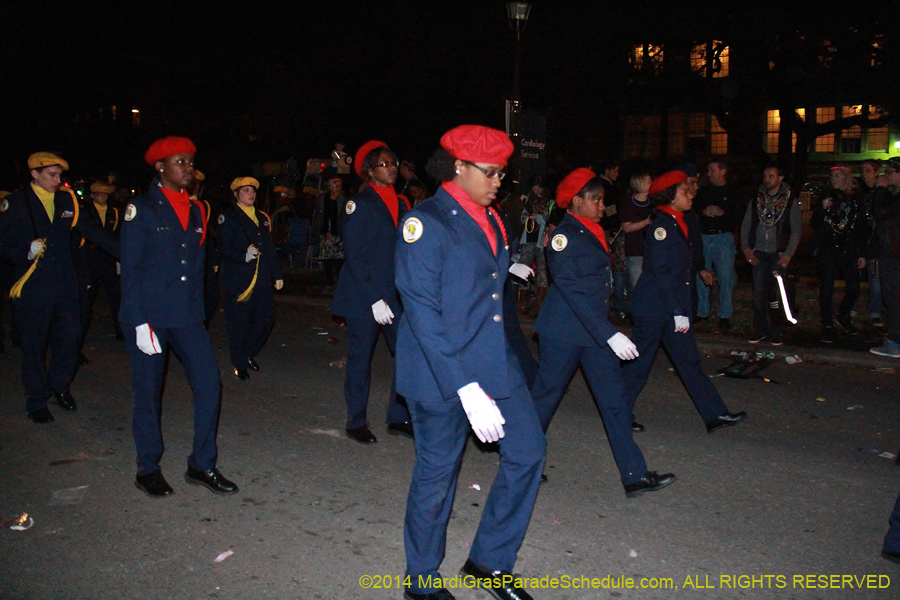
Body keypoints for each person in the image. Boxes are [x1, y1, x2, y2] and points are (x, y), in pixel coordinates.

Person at [395, 124, 545, 600]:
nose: (499, 181)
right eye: (491, 172)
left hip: (492, 359)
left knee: (528, 451)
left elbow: (486, 291)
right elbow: (422, 311)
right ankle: (420, 581)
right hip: (440, 372)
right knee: (437, 476)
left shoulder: (494, 218)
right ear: (457, 166)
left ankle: (489, 561)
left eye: (504, 173)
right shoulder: (425, 221)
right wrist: (465, 388)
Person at [531, 168, 675, 497]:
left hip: (594, 332)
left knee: (614, 402)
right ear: (576, 201)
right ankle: (523, 463)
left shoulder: (593, 230)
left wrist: (605, 332)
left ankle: (634, 475)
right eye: (595, 199)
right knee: (544, 400)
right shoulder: (563, 235)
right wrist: (609, 334)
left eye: (602, 199)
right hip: (565, 332)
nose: (601, 205)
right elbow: (570, 289)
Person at [120, 136, 238, 497]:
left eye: (190, 161)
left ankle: (202, 463)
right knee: (149, 392)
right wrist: (139, 322)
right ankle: (148, 467)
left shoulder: (199, 210)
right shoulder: (141, 209)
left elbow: (196, 267)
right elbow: (132, 268)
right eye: (179, 162)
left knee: (208, 384)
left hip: (186, 315)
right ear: (160, 167)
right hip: (150, 316)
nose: (188, 168)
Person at [623, 170, 746, 434]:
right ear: (669, 196)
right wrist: (679, 310)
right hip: (654, 308)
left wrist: (680, 309)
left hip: (672, 307)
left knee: (689, 362)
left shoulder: (679, 222)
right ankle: (618, 415)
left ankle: (715, 414)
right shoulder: (661, 227)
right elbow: (661, 273)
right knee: (640, 364)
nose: (690, 194)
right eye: (683, 191)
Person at [0, 152, 118, 423]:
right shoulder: (16, 203)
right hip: (33, 285)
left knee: (71, 338)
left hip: (66, 282)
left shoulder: (68, 200)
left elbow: (93, 231)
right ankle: (36, 399)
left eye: (59, 175)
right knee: (34, 344)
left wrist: (129, 255)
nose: (57, 180)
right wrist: (24, 252)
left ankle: (59, 385)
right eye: (51, 175)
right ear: (34, 174)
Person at [331, 140, 413, 444]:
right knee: (360, 358)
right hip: (365, 296)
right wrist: (374, 298)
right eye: (384, 164)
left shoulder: (402, 203)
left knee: (406, 353)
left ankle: (398, 415)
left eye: (393, 163)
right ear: (369, 171)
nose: (392, 168)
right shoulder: (359, 204)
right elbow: (355, 256)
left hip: (395, 294)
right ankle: (356, 421)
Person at [217, 177, 284, 379]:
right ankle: (239, 364)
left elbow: (269, 247)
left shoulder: (262, 217)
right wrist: (242, 255)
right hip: (238, 278)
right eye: (245, 190)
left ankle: (246, 353)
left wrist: (277, 274)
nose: (251, 194)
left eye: (252, 190)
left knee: (266, 319)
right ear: (236, 194)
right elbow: (223, 246)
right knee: (239, 323)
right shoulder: (228, 217)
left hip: (261, 277)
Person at [740, 165, 802, 346]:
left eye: (771, 176)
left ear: (780, 178)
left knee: (778, 294)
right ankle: (759, 329)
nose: (767, 179)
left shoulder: (790, 201)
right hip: (759, 253)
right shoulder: (756, 200)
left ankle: (777, 330)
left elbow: (796, 230)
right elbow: (746, 225)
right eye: (765, 176)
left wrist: (788, 253)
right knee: (759, 294)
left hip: (778, 253)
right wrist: (746, 248)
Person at [810, 164, 867, 343]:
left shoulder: (856, 199)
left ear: (846, 178)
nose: (834, 179)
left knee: (853, 287)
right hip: (828, 247)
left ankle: (843, 315)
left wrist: (862, 252)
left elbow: (861, 227)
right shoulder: (826, 196)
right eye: (832, 176)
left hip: (848, 247)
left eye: (838, 176)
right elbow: (814, 223)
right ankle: (827, 325)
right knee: (827, 288)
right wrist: (822, 208)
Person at [693, 158, 743, 331]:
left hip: (723, 238)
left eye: (712, 170)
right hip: (705, 237)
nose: (709, 174)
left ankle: (725, 314)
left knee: (725, 277)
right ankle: (702, 311)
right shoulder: (703, 191)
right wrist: (703, 212)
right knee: (702, 275)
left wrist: (722, 212)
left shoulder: (733, 192)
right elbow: (694, 211)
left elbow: (738, 216)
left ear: (723, 171)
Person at [80, 181, 124, 341]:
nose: (102, 198)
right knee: (87, 299)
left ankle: (121, 330)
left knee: (115, 297)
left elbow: (117, 236)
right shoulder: (86, 212)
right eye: (99, 195)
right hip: (91, 259)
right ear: (92, 196)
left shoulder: (115, 212)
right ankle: (80, 332)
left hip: (108, 259)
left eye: (105, 195)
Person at [869, 158, 900, 358]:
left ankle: (895, 343)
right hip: (893, 252)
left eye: (889, 172)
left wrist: (881, 190)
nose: (886, 176)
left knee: (893, 297)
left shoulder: (896, 196)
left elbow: (881, 213)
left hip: (893, 254)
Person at [515, 174, 550, 315]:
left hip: (541, 239)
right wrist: (524, 218)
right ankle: (522, 302)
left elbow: (549, 219)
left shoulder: (548, 201)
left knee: (542, 271)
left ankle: (539, 305)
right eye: (534, 186)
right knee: (522, 267)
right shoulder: (529, 199)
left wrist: (540, 218)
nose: (536, 189)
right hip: (528, 237)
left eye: (538, 186)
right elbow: (523, 217)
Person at [857, 159, 884, 325]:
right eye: (863, 171)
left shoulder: (881, 192)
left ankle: (875, 311)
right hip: (861, 238)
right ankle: (852, 309)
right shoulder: (860, 192)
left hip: (876, 240)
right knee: (856, 275)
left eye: (868, 171)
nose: (864, 175)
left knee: (875, 280)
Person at [310, 177, 347, 289]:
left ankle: (340, 283)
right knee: (328, 260)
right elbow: (320, 217)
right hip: (326, 232)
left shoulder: (342, 200)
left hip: (339, 233)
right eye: (335, 186)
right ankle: (330, 283)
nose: (337, 188)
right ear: (330, 187)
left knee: (340, 259)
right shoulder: (322, 199)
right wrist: (325, 231)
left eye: (339, 186)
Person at [619, 171, 653, 289]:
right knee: (637, 287)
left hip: (652, 251)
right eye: (648, 181)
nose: (651, 183)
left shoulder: (653, 203)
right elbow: (626, 228)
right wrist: (645, 222)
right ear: (640, 183)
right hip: (635, 251)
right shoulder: (628, 205)